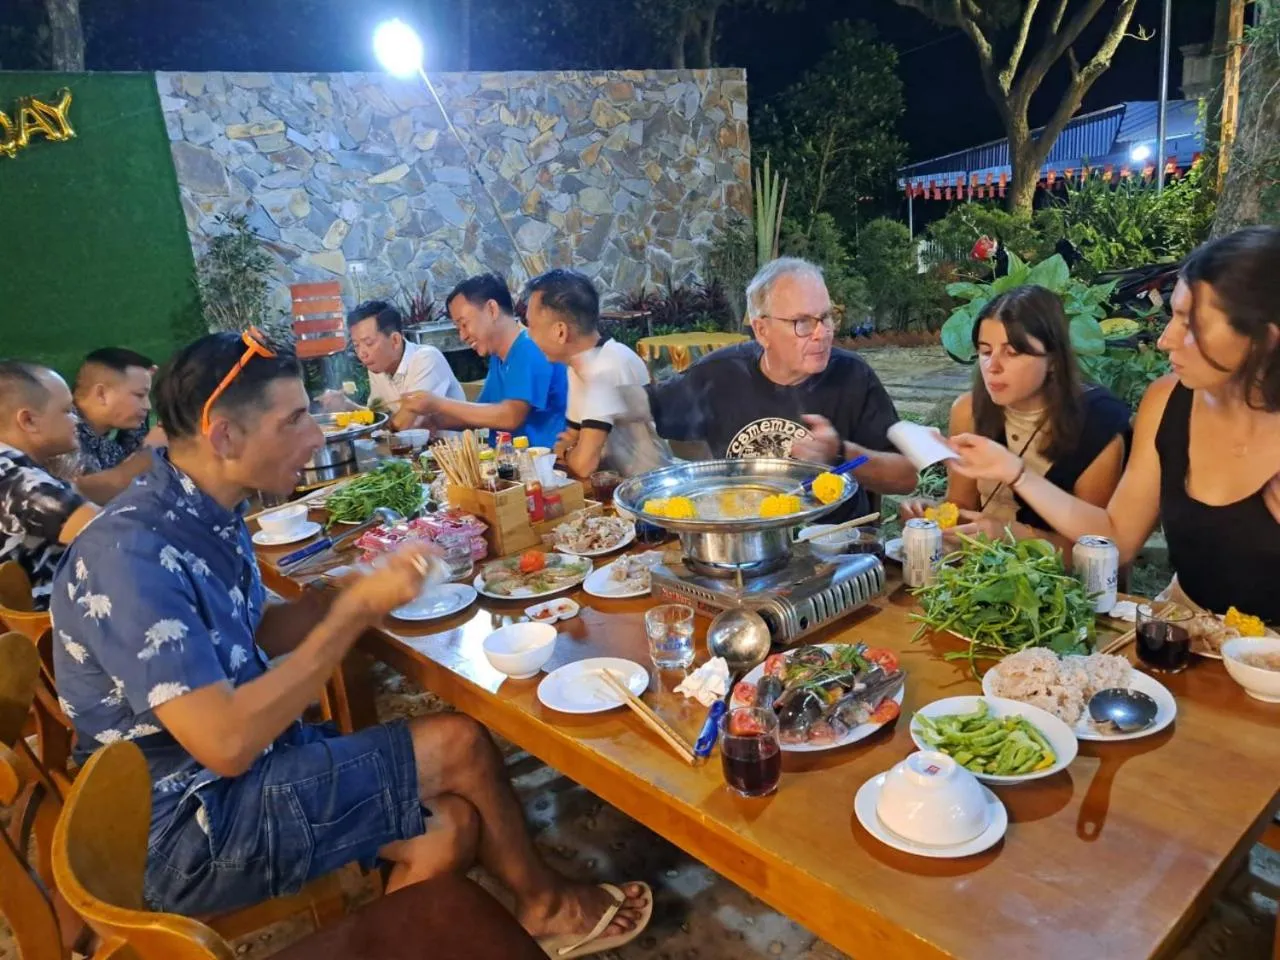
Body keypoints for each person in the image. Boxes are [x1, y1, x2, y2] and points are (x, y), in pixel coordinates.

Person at [50, 330, 651, 952]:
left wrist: (352, 591)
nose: (315, 436)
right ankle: (546, 905)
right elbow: (225, 742)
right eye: (295, 419)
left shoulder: (200, 509)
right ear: (225, 437)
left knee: (450, 828)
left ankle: (388, 937)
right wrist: (353, 615)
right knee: (460, 743)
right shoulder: (131, 553)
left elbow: (252, 628)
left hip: (238, 774)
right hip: (185, 824)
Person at [948, 227, 1280, 622]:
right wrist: (1015, 473)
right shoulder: (1166, 401)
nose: (1165, 340)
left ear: (1265, 339)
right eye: (1172, 315)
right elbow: (1116, 540)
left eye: (1191, 324)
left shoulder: (1096, 420)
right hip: (1184, 622)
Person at [589, 257, 917, 518]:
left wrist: (842, 453)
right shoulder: (720, 375)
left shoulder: (852, 377)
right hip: (742, 545)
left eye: (826, 317)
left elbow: (906, 477)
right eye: (802, 322)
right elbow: (642, 404)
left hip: (833, 549)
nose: (821, 333)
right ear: (762, 330)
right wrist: (594, 406)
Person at [898, 286, 1130, 552]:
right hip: (981, 571)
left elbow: (1098, 549)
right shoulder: (968, 411)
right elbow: (962, 504)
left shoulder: (1097, 425)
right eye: (985, 351)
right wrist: (934, 518)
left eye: (1012, 353)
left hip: (1060, 583)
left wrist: (1013, 536)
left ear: (1053, 359)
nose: (993, 366)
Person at [400, 273, 568, 449]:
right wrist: (431, 420)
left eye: (464, 324)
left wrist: (439, 403)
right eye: (458, 328)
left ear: (492, 309)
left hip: (543, 465)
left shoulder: (528, 347)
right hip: (508, 463)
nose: (462, 335)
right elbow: (481, 413)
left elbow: (510, 416)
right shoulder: (499, 356)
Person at [522, 268, 661, 478]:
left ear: (560, 331)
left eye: (531, 327)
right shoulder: (579, 365)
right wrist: (569, 449)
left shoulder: (607, 367)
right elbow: (570, 436)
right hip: (618, 485)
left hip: (646, 492)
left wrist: (568, 453)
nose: (528, 336)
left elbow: (583, 465)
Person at [0, 361, 100, 608]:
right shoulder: (16, 480)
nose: (76, 420)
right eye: (67, 410)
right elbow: (109, 531)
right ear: (29, 420)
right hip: (46, 636)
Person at [324, 300, 464, 431]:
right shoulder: (378, 368)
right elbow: (378, 415)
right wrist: (347, 406)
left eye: (369, 343)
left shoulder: (426, 359)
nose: (362, 353)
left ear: (395, 340)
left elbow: (406, 425)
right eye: (356, 345)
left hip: (453, 452)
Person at [70, 347, 167, 504]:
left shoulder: (103, 438)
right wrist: (152, 449)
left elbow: (131, 449)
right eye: (140, 395)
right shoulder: (64, 437)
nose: (148, 406)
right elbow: (102, 492)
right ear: (101, 394)